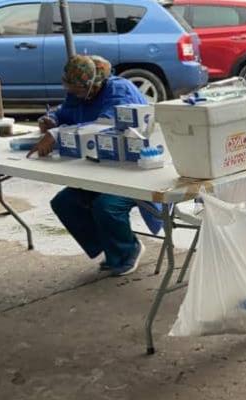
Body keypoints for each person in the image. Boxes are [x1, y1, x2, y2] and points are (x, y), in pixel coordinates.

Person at [27, 55, 157, 276]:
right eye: (69, 88)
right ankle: (112, 246)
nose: (72, 94)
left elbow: (104, 126)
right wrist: (51, 120)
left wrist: (56, 134)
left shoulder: (118, 91)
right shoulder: (80, 94)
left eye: (76, 89)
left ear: (92, 84)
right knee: (64, 202)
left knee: (106, 206)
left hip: (134, 171)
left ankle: (127, 251)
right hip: (99, 171)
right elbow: (64, 112)